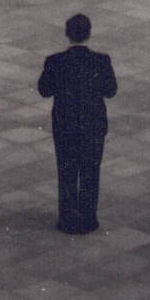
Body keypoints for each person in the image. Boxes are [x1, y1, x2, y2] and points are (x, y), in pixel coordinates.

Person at [37, 13, 117, 235]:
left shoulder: (55, 62)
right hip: (93, 125)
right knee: (91, 170)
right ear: (89, 34)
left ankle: (67, 219)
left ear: (67, 34)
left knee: (67, 171)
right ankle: (88, 219)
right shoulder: (102, 61)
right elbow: (111, 91)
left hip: (65, 125)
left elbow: (44, 90)